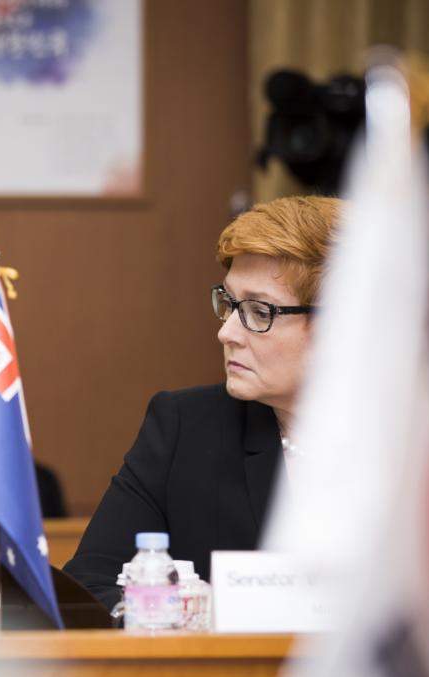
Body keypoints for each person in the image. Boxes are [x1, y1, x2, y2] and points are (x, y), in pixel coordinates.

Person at [63, 195, 342, 609]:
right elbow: (87, 590)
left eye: (259, 311)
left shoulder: (425, 447)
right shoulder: (185, 427)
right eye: (229, 304)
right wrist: (178, 614)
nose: (227, 332)